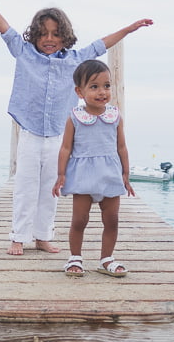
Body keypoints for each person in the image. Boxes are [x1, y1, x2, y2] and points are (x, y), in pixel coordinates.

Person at [0, 0, 151, 256]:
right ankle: (18, 236)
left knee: (50, 189)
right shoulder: (24, 52)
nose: (49, 39)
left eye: (55, 34)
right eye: (43, 34)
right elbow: (5, 30)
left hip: (58, 136)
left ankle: (42, 236)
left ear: (65, 36)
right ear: (35, 36)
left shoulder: (75, 59)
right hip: (30, 133)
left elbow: (101, 45)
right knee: (25, 186)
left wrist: (128, 29)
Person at [52, 60, 134, 277]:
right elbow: (65, 148)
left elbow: (122, 147)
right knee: (79, 219)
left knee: (112, 219)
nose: (102, 92)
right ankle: (75, 258)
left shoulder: (115, 116)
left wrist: (126, 173)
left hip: (110, 174)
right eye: (94, 86)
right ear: (80, 91)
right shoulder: (75, 118)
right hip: (83, 176)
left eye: (106, 86)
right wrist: (61, 174)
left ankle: (106, 259)